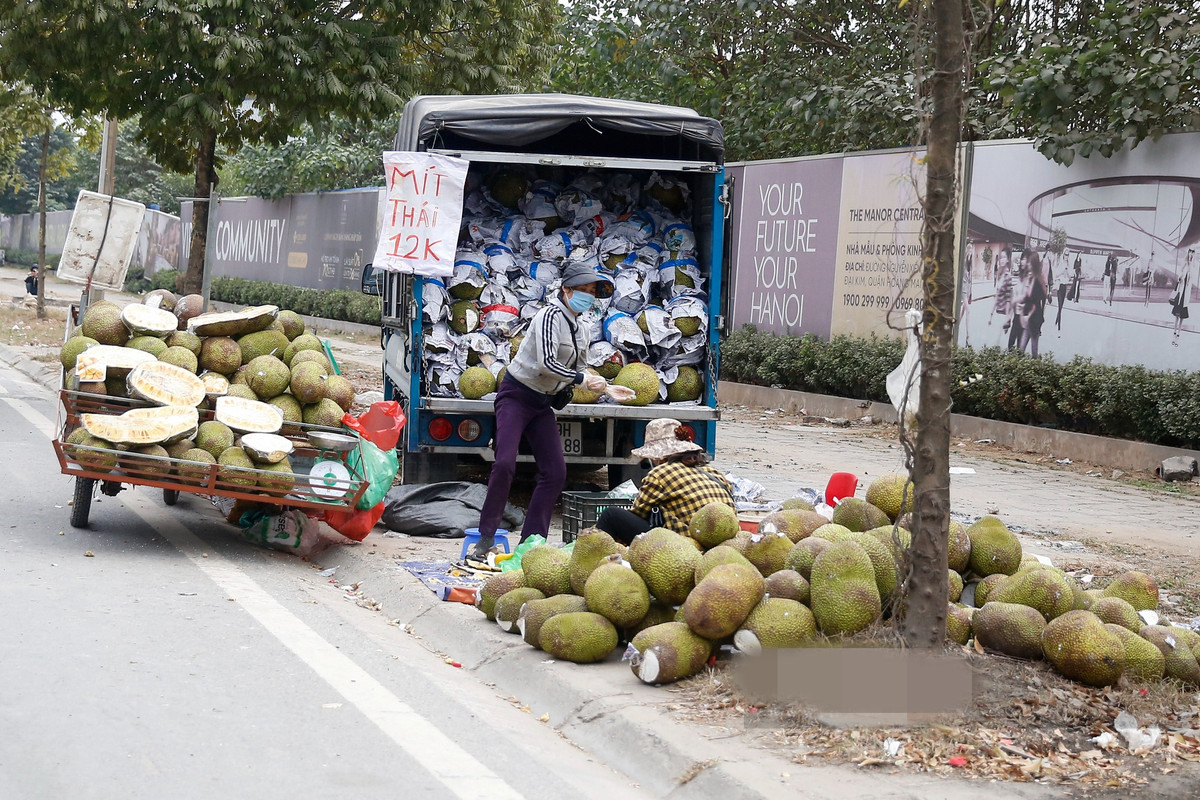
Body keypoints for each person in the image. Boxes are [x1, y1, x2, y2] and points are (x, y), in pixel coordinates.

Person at [472, 262, 614, 558]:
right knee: (505, 463)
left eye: (592, 292)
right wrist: (582, 379)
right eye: (582, 290)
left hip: (542, 403)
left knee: (555, 472)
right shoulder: (549, 316)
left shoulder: (583, 328)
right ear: (566, 290)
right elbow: (546, 363)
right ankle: (486, 537)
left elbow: (580, 368)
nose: (587, 296)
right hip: (516, 395)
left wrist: (606, 387)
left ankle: (531, 542)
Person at [594, 418, 735, 545]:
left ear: (658, 457)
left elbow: (639, 513)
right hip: (723, 546)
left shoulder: (660, 474)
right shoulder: (716, 474)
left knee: (610, 516)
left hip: (685, 547)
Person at [1018, 250, 1048, 357]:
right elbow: (1028, 298)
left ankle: (1035, 365)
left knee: (1034, 350)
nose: (1028, 265)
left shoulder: (1038, 282)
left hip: (1034, 320)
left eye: (1030, 263)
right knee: (1021, 348)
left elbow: (1036, 303)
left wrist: (1028, 316)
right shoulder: (1031, 279)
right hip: (1029, 319)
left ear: (1034, 265)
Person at [1171, 248, 1196, 345]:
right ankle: (1174, 332)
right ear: (1188, 252)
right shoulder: (1184, 262)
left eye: (1193, 252)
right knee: (1177, 315)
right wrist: (1180, 277)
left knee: (1182, 315)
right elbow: (1180, 273)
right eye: (1190, 251)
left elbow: (1191, 276)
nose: (1191, 253)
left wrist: (1190, 264)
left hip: (1186, 292)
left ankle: (1178, 334)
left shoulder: (1193, 265)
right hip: (1181, 290)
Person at [989, 246, 1013, 337]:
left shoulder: (1008, 276)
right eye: (1001, 257)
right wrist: (991, 315)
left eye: (1004, 257)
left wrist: (1007, 319)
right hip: (997, 312)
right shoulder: (1000, 274)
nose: (1002, 260)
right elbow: (997, 296)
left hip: (1003, 315)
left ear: (1008, 260)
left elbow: (1008, 299)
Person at [1054, 249, 1070, 332]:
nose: (1066, 256)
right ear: (1063, 255)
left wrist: (1067, 273)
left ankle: (1056, 321)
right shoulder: (1060, 263)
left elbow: (1069, 277)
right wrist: (1062, 271)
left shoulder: (1068, 264)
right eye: (1065, 254)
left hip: (1065, 286)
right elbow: (1056, 274)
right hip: (1060, 285)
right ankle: (1059, 327)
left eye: (1068, 255)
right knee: (1059, 306)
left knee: (1061, 307)